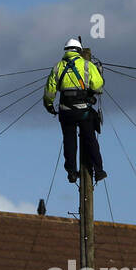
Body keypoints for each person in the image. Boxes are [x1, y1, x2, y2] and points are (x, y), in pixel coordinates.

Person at [43, 38, 106, 182]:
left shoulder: (57, 67)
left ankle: (71, 172)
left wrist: (49, 106)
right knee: (90, 139)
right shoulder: (87, 65)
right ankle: (99, 170)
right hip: (83, 110)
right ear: (79, 50)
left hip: (65, 111)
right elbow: (97, 86)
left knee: (69, 141)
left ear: (66, 51)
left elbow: (49, 91)